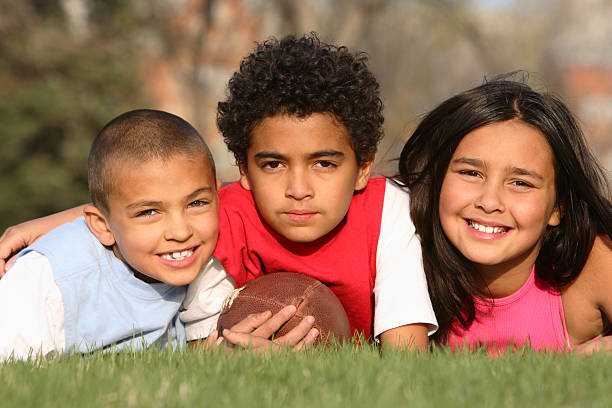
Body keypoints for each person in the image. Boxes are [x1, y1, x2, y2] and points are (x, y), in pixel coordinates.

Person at [0, 34, 437, 351]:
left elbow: (407, 359)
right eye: (273, 164)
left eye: (324, 163)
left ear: (362, 168)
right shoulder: (218, 219)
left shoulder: (388, 213)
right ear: (243, 169)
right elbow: (199, 349)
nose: (298, 190)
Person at [0, 109, 317, 360]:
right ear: (102, 226)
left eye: (196, 203)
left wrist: (226, 357)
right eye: (149, 212)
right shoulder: (47, 281)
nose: (181, 232)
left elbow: (194, 365)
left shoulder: (204, 265)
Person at [398, 77, 612, 354]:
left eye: (520, 183)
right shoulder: (404, 249)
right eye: (471, 173)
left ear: (558, 208)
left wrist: (581, 359)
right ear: (438, 181)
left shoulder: (588, 261)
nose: (489, 202)